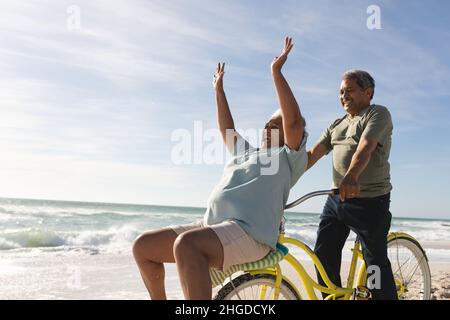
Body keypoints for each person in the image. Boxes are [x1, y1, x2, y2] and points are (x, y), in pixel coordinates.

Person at [132, 37, 308, 300]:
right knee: (143, 246)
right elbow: (226, 129)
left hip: (250, 234)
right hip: (213, 225)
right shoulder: (247, 152)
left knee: (187, 245)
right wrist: (219, 91)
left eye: (277, 125)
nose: (270, 128)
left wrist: (276, 72)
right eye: (268, 123)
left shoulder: (289, 157)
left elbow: (293, 121)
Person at [307, 70, 397, 299]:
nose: (343, 96)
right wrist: (282, 177)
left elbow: (365, 146)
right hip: (337, 198)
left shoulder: (377, 113)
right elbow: (311, 155)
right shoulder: (336, 125)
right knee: (323, 253)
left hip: (369, 200)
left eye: (349, 90)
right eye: (340, 92)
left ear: (368, 92)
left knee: (374, 263)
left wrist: (352, 175)